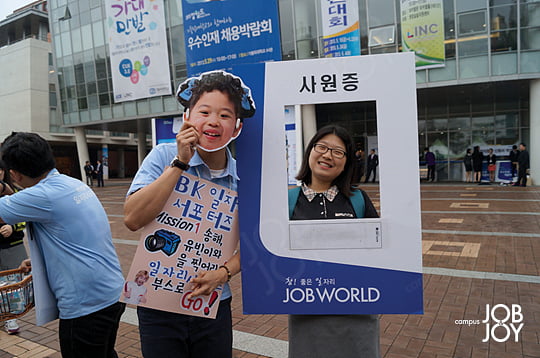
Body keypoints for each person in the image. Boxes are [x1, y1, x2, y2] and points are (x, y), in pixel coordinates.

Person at [124, 70, 256, 358]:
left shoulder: (243, 176)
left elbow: (254, 241)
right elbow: (132, 218)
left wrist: (223, 274)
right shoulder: (162, 156)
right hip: (157, 301)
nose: (212, 121)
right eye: (204, 112)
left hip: (213, 303)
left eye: (224, 115)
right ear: (187, 118)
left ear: (236, 127)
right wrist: (180, 162)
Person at [0, 132, 125, 358]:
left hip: (86, 305)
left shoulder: (43, 195)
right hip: (111, 292)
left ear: (14, 174)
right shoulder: (72, 184)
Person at [288, 125, 379, 358]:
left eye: (338, 152)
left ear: (347, 161)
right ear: (310, 151)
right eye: (322, 147)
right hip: (307, 311)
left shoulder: (358, 199)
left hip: (356, 312)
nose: (328, 155)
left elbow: (379, 253)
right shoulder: (287, 201)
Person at [0, 160, 27, 334]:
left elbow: (25, 218)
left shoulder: (15, 193)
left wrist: (13, 226)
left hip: (13, 246)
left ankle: (11, 318)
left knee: (12, 284)